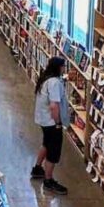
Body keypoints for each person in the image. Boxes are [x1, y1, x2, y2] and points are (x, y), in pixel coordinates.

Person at [31, 55, 70, 195]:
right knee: (53, 151)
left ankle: (37, 168)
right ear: (58, 67)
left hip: (43, 120)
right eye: (63, 66)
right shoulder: (54, 83)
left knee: (46, 143)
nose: (64, 69)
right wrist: (58, 123)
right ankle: (48, 180)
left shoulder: (45, 78)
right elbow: (54, 106)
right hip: (51, 121)